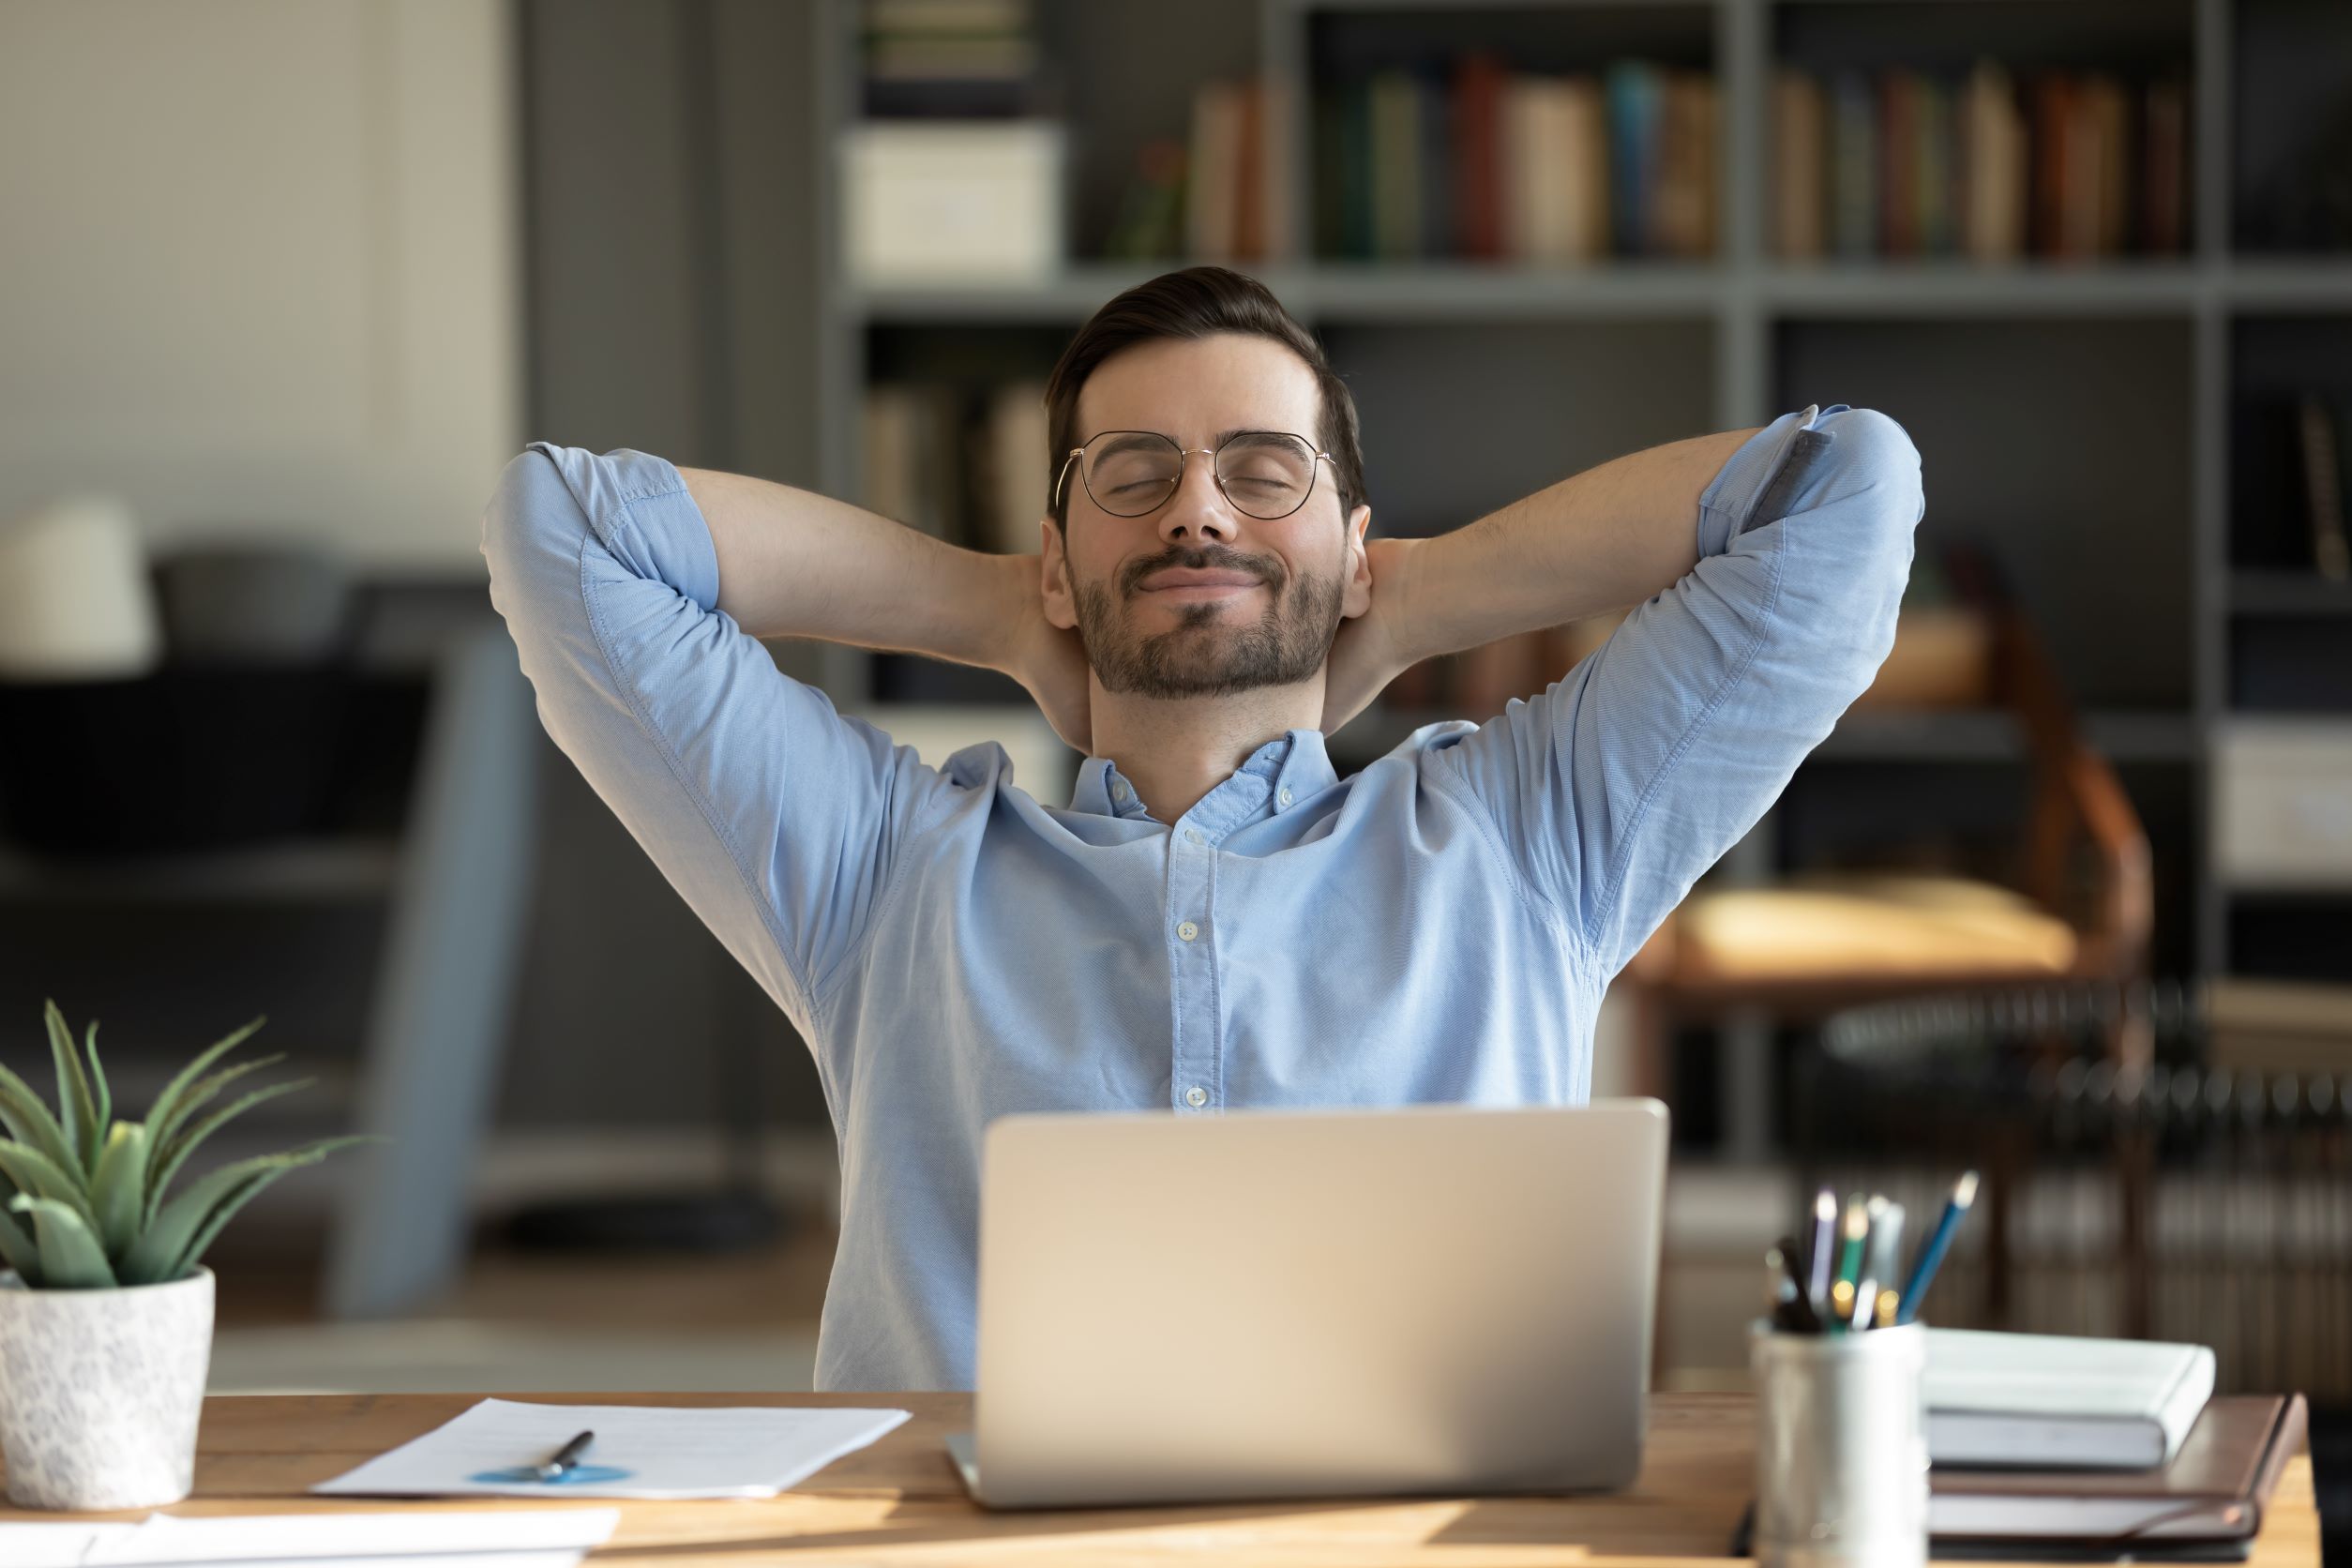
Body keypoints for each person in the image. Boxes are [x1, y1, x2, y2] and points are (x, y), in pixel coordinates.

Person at [481, 265, 1924, 1391]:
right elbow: (563, 533)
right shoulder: (882, 873)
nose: (1196, 512)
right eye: (1132, 473)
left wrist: (1414, 598)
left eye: (1263, 470)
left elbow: (1845, 491)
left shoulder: (1526, 840)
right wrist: (1001, 610)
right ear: (1059, 554)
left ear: (1351, 542)